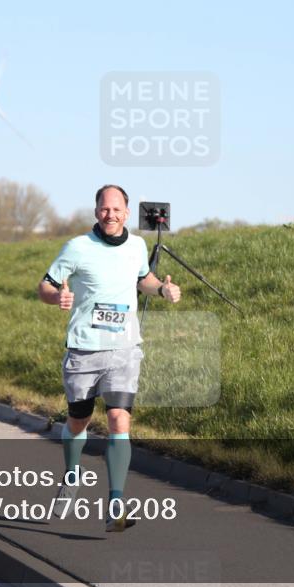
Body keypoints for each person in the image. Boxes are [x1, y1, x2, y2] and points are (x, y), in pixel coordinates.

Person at [37, 185, 181, 531]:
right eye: (104, 209)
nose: (111, 215)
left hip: (123, 350)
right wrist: (57, 296)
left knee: (119, 419)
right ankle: (72, 473)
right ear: (95, 211)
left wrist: (161, 288)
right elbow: (44, 285)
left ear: (127, 213)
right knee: (78, 422)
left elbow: (142, 279)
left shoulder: (137, 246)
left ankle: (116, 503)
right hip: (84, 349)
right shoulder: (77, 247)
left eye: (117, 210)